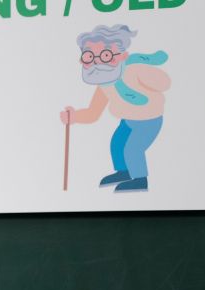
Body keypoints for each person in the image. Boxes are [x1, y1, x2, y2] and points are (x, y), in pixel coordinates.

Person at [61, 25, 171, 193]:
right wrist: (74, 117)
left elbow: (164, 83)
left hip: (149, 120)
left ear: (122, 56)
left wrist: (149, 75)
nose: (97, 61)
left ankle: (140, 179)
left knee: (133, 148)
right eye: (90, 56)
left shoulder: (134, 70)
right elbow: (93, 113)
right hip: (127, 121)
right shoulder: (104, 84)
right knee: (117, 145)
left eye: (105, 55)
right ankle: (124, 172)